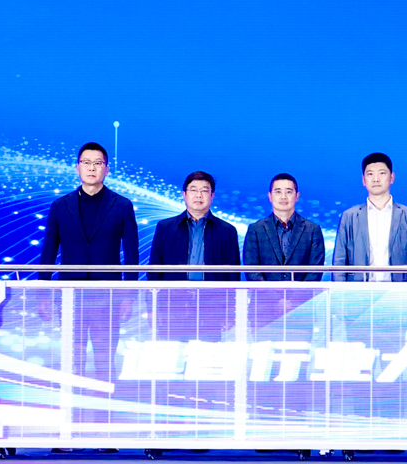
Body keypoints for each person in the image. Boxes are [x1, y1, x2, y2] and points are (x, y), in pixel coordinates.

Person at [38, 142, 139, 379]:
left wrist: (129, 296)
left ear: (107, 169)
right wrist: (42, 294)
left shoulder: (122, 205)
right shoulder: (60, 206)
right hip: (70, 295)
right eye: (86, 163)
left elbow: (131, 254)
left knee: (105, 358)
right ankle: (73, 401)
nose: (91, 168)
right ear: (77, 168)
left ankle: (106, 401)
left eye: (97, 163)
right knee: (73, 359)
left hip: (108, 296)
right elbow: (48, 252)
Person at [146, 171, 240, 343]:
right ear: (184, 194)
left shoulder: (227, 231)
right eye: (193, 190)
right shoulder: (165, 228)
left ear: (212, 196)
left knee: (207, 357)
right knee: (172, 356)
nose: (198, 195)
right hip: (173, 306)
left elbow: (232, 277)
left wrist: (230, 312)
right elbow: (154, 271)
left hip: (210, 308)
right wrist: (152, 308)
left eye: (204, 190)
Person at [332, 153, 407, 281]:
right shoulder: (349, 217)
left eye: (382, 173)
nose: (376, 179)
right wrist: (339, 290)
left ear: (391, 178)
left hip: (398, 289)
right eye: (370, 174)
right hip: (358, 289)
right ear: (363, 180)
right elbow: (339, 261)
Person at [243, 173, 326, 281]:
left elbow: (315, 271)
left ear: (297, 196)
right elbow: (251, 269)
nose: (283, 197)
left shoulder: (312, 230)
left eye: (289, 192)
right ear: (270, 196)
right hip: (264, 292)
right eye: (278, 192)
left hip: (302, 292)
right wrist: (268, 292)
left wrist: (299, 292)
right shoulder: (256, 230)